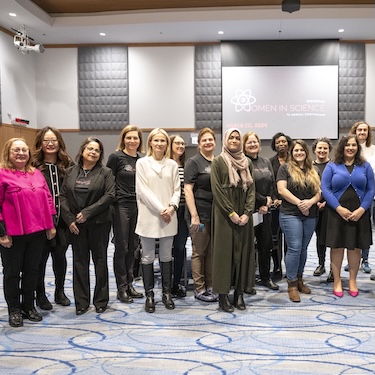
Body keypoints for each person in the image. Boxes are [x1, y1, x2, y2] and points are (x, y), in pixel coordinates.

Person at [0, 138, 56, 328]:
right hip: (12, 235)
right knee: (12, 273)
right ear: (8, 152)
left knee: (33, 271)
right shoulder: (2, 174)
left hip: (37, 232)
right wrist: (1, 233)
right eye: (16, 150)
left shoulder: (37, 174)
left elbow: (48, 199)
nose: (21, 153)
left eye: (24, 150)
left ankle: (29, 306)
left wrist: (50, 225)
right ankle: (14, 310)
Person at [60, 137, 116, 315]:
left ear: (100, 154)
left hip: (99, 224)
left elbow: (109, 195)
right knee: (79, 262)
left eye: (97, 150)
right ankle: (82, 302)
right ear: (82, 150)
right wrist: (70, 220)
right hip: (76, 226)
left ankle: (101, 300)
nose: (93, 152)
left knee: (100, 262)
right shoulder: (70, 172)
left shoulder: (105, 172)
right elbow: (62, 197)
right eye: (90, 149)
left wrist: (88, 213)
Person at [321, 135, 374, 298]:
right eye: (347, 145)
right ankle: (337, 280)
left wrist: (362, 209)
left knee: (355, 247)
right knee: (337, 247)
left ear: (357, 148)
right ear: (342, 147)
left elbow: (371, 190)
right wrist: (338, 208)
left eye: (354, 145)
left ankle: (352, 280)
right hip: (337, 213)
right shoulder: (332, 166)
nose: (350, 148)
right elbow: (325, 188)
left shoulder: (365, 166)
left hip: (359, 213)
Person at [135, 128, 180, 313]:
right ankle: (150, 295)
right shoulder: (142, 163)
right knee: (147, 257)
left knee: (166, 256)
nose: (160, 144)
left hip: (169, 217)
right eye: (156, 140)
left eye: (163, 141)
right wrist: (161, 209)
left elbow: (177, 189)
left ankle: (166, 293)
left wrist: (171, 207)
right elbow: (143, 191)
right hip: (149, 216)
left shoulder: (172, 164)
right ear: (150, 143)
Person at [211, 128, 255, 312]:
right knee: (224, 255)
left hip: (244, 214)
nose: (235, 140)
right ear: (226, 140)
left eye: (238, 138)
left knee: (243, 254)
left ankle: (239, 293)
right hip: (224, 214)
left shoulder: (248, 163)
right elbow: (217, 191)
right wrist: (231, 213)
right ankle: (223, 296)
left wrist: (247, 212)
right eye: (232, 137)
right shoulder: (218, 162)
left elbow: (251, 189)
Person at [33, 126, 73, 311]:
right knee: (40, 260)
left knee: (60, 257)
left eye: (53, 140)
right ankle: (40, 294)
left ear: (59, 143)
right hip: (40, 222)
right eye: (46, 140)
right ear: (40, 143)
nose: (50, 144)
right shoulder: (32, 166)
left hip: (62, 221)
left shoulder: (68, 164)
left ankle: (59, 291)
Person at [277, 139, 321, 303]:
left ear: (306, 152)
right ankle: (292, 284)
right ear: (292, 153)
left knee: (303, 248)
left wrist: (310, 202)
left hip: (310, 213)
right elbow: (281, 189)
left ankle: (300, 278)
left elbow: (319, 192)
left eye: (301, 150)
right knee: (294, 247)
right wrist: (300, 203)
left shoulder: (313, 169)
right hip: (290, 213)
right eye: (296, 150)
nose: (299, 153)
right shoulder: (285, 168)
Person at [107, 125, 144, 304]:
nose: (132, 141)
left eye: (135, 138)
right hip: (121, 206)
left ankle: (130, 284)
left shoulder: (142, 159)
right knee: (122, 248)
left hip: (139, 206)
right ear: (124, 139)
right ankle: (121, 287)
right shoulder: (116, 157)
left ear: (139, 140)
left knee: (134, 247)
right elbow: (108, 180)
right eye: (129, 138)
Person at [184, 128, 218, 302]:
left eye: (210, 140)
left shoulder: (217, 161)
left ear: (214, 142)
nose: (208, 143)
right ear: (199, 144)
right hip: (200, 214)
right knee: (199, 252)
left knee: (212, 251)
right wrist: (194, 216)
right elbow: (188, 190)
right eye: (204, 140)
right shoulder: (194, 162)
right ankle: (199, 288)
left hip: (216, 214)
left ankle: (211, 286)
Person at [243, 131, 279, 291]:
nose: (252, 144)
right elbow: (248, 187)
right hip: (249, 211)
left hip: (266, 212)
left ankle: (265, 277)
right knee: (248, 247)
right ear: (244, 145)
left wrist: (269, 200)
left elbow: (272, 183)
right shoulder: (242, 162)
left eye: (255, 142)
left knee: (266, 245)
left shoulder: (266, 161)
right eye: (249, 142)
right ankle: (247, 279)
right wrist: (263, 201)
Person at [346, 120, 375, 274]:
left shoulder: (373, 150)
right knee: (350, 227)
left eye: (365, 130)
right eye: (359, 130)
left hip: (369, 195)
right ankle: (352, 259)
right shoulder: (350, 149)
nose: (362, 132)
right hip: (351, 195)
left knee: (365, 228)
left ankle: (365, 259)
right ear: (354, 132)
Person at [269, 132, 292, 279]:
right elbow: (269, 183)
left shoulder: (295, 160)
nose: (281, 144)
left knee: (290, 240)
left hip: (291, 206)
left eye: (283, 141)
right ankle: (277, 266)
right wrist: (274, 198)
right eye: (278, 142)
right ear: (274, 145)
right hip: (275, 206)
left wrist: (285, 199)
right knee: (275, 239)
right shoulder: (270, 162)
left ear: (288, 143)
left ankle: (290, 267)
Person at [311, 137, 333, 280]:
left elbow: (337, 187)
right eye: (319, 148)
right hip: (314, 207)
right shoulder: (310, 167)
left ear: (329, 150)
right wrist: (316, 201)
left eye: (325, 148)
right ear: (314, 150)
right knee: (320, 238)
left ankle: (333, 268)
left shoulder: (335, 165)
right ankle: (321, 264)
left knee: (332, 239)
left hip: (331, 207)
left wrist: (326, 202)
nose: (322, 150)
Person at [170, 135, 189, 298]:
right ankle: (166, 283)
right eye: (177, 143)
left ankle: (176, 283)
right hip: (168, 211)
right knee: (166, 249)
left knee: (180, 248)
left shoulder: (186, 165)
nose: (181, 145)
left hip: (184, 212)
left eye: (183, 143)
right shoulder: (165, 164)